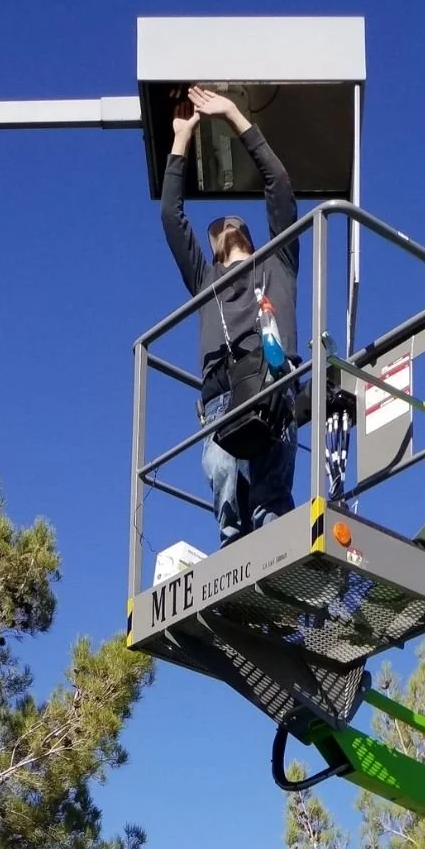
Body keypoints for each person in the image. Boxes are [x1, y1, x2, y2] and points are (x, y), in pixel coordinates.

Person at [161, 85, 301, 548]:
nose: (228, 225)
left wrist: (233, 116)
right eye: (218, 228)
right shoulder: (206, 280)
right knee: (228, 497)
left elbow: (278, 182)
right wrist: (182, 136)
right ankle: (234, 557)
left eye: (235, 224)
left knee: (270, 503)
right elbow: (171, 216)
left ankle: (274, 559)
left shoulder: (279, 261)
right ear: (214, 247)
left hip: (273, 383)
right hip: (222, 395)